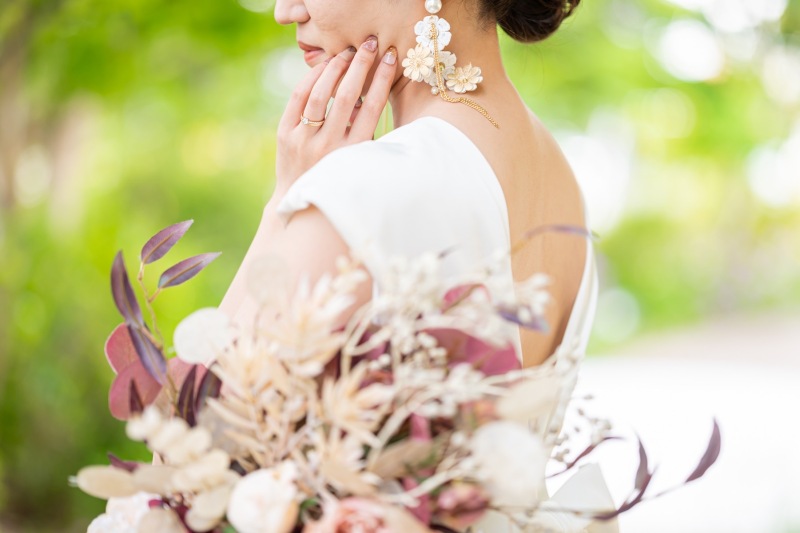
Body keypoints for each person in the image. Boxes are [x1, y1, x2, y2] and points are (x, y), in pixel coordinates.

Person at [219, 0, 596, 370]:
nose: (285, 12)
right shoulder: (563, 180)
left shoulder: (361, 190)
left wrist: (284, 202)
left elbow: (206, 420)